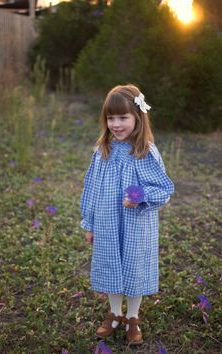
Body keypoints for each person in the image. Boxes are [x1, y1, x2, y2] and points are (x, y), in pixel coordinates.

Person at [80, 84, 174, 345]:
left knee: (134, 266)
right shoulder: (103, 151)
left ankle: (132, 317)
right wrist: (90, 224)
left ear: (138, 117)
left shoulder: (144, 152)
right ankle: (114, 313)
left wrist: (140, 196)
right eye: (111, 118)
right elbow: (91, 188)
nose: (116, 124)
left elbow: (164, 189)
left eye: (123, 117)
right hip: (108, 221)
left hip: (136, 223)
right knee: (110, 264)